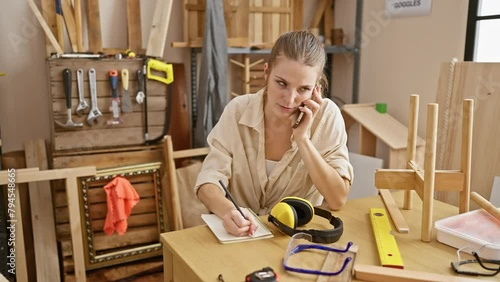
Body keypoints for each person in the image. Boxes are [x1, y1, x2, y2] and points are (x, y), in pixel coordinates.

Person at [195, 30, 353, 237]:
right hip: (241, 237)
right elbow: (208, 182)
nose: (289, 100)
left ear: (316, 88)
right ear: (266, 72)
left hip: (295, 240)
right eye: (282, 83)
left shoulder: (327, 116)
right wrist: (230, 211)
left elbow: (337, 198)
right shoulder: (237, 111)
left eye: (303, 89)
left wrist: (302, 139)